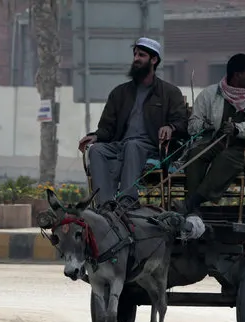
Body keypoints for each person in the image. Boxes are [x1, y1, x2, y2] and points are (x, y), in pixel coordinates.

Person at [78, 37, 188, 204]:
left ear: (154, 59)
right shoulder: (120, 93)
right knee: (96, 150)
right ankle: (105, 206)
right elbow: (107, 127)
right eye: (135, 54)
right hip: (121, 145)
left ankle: (126, 203)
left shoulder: (169, 92)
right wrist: (95, 136)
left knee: (133, 146)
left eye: (141, 55)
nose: (136, 58)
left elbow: (182, 122)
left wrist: (170, 127)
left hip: (151, 146)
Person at [175, 53, 245, 215]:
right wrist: (208, 125)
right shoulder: (210, 94)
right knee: (196, 154)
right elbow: (193, 126)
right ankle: (195, 213)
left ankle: (192, 203)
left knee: (227, 157)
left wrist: (237, 129)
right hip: (215, 144)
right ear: (237, 75)